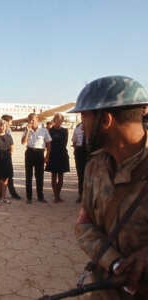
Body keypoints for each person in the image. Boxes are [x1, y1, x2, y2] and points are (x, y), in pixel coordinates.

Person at [73, 76, 148, 299]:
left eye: (84, 117)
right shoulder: (95, 166)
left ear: (105, 120)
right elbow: (84, 225)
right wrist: (115, 263)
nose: (81, 126)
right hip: (105, 290)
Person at [0, 114, 21, 199]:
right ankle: (2, 195)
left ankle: (6, 195)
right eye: (10, 121)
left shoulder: (8, 131)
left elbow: (11, 145)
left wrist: (8, 156)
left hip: (6, 158)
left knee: (8, 178)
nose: (11, 123)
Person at [21, 113, 51, 204]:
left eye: (33, 120)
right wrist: (27, 131)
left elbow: (48, 144)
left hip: (39, 153)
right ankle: (29, 197)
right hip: (29, 152)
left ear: (37, 120)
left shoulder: (44, 130)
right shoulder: (27, 130)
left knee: (39, 176)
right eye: (29, 120)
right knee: (28, 176)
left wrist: (47, 156)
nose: (31, 121)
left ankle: (40, 196)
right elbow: (23, 142)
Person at [45, 113, 70, 203]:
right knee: (53, 175)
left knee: (61, 176)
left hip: (62, 154)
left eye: (60, 120)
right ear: (54, 120)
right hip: (52, 154)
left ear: (62, 121)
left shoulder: (65, 131)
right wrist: (47, 155)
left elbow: (65, 143)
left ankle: (58, 195)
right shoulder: (50, 131)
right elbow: (47, 143)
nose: (59, 122)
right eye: (57, 120)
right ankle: (55, 196)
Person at [71, 116, 88, 203]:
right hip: (80, 152)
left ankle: (89, 196)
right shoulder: (77, 129)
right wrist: (76, 150)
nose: (84, 119)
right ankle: (81, 195)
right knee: (80, 175)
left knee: (89, 174)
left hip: (89, 152)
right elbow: (74, 141)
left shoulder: (92, 128)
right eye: (83, 117)